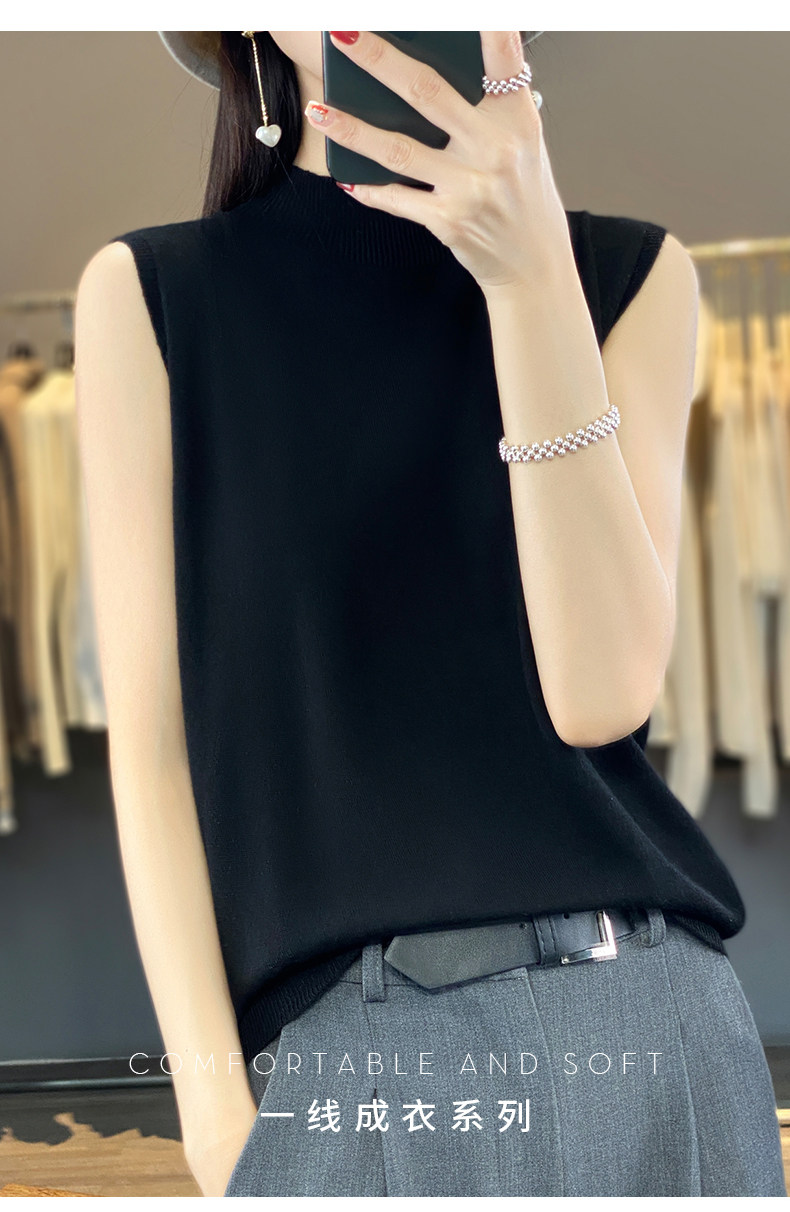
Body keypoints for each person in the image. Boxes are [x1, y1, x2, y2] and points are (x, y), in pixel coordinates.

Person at [74, 31, 787, 1198]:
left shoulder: (629, 276)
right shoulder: (153, 298)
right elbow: (152, 748)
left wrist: (528, 277)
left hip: (656, 1024)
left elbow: (601, 692)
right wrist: (214, 1116)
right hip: (357, 1056)